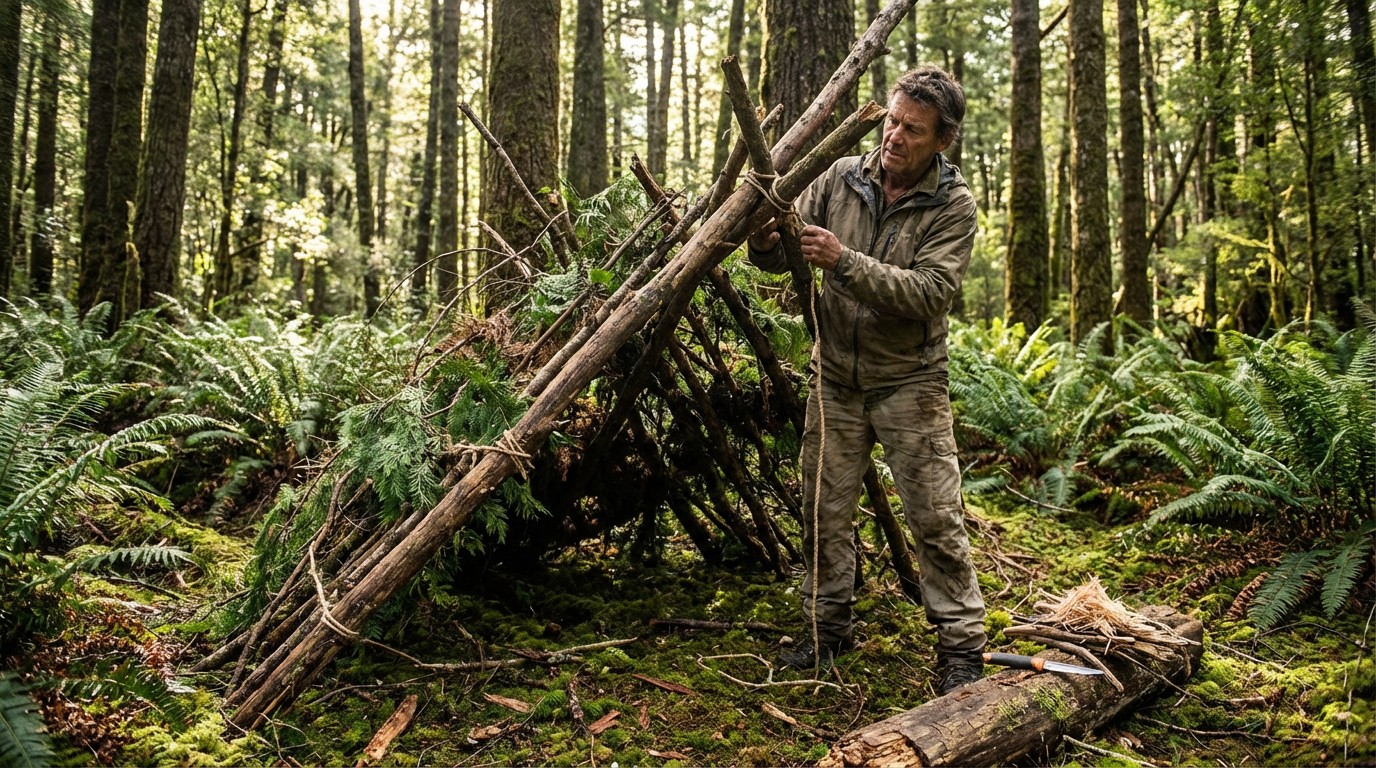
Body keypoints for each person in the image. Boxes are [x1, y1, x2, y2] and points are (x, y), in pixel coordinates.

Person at [747, 65, 987, 695]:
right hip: (835, 380)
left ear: (942, 141)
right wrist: (766, 239)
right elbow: (781, 249)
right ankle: (827, 632)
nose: (895, 136)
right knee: (823, 511)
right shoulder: (841, 176)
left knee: (935, 517)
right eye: (891, 120)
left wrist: (845, 262)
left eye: (913, 129)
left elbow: (931, 293)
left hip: (910, 380)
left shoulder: (953, 206)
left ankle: (961, 649)